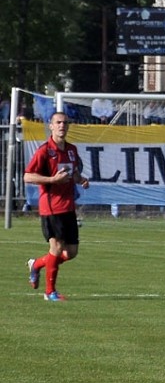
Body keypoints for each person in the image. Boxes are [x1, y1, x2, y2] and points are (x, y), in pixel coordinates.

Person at [25, 112, 90, 302]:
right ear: (51, 126)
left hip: (68, 206)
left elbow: (74, 174)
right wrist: (52, 179)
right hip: (51, 207)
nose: (62, 125)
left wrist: (81, 180)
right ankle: (50, 292)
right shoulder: (44, 151)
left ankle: (37, 264)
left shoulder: (71, 150)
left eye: (65, 123)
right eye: (58, 122)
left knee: (71, 252)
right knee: (57, 246)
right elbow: (28, 176)